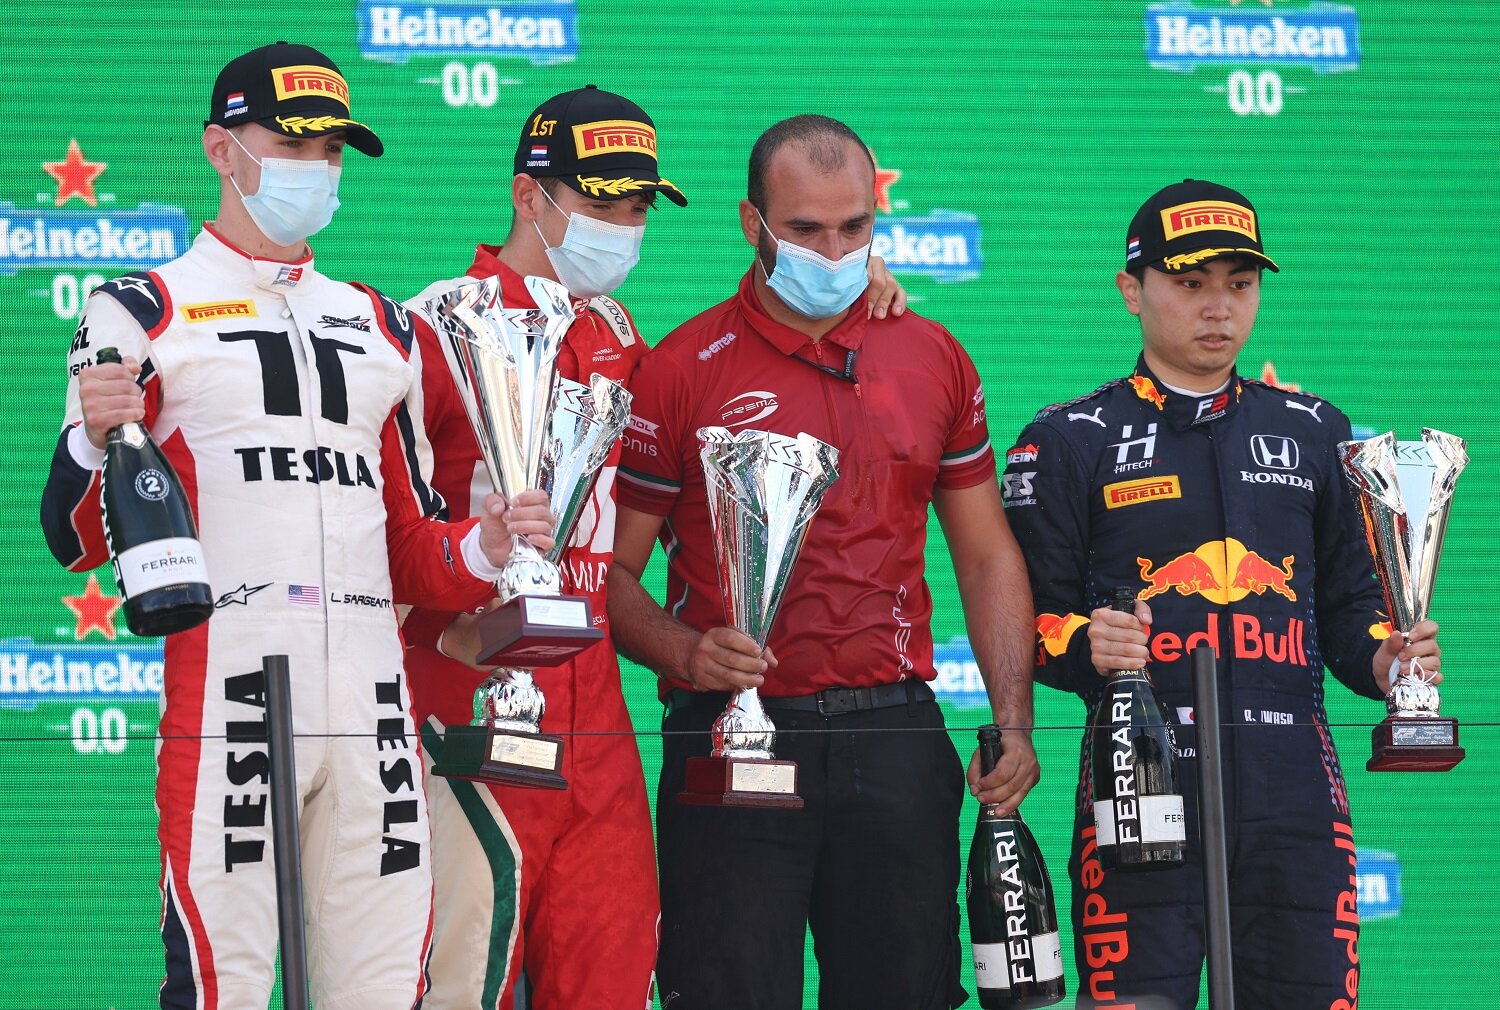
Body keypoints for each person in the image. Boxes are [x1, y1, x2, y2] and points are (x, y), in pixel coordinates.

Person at [38, 42, 546, 1010]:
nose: (317, 165)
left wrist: (487, 543)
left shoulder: (382, 324)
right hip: (232, 671)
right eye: (293, 141)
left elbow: (414, 552)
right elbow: (73, 537)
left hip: (371, 692)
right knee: (220, 980)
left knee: (384, 984)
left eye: (332, 148)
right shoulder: (141, 307)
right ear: (222, 150)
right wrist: (96, 441)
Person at [400, 89, 910, 1010]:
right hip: (471, 703)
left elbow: (729, 379)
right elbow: (387, 536)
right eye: (597, 202)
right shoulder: (433, 324)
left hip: (596, 714)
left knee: (611, 975)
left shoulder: (621, 338)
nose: (621, 226)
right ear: (528, 197)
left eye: (636, 206)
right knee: (459, 982)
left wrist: (854, 300)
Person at [606, 113, 1040, 1010]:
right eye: (805, 229)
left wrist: (1013, 716)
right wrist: (683, 652)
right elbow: (604, 574)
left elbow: (988, 552)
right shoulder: (680, 367)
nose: (834, 250)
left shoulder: (933, 355)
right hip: (729, 734)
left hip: (896, 737)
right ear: (750, 223)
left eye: (854, 228)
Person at [1001, 178, 1442, 1009]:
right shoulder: (1067, 437)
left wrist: (1390, 660)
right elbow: (1025, 627)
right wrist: (1083, 644)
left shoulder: (1317, 430)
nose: (1218, 308)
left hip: (1296, 792)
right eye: (1190, 283)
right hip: (1139, 792)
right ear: (1132, 290)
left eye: (1239, 285)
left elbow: (1350, 617)